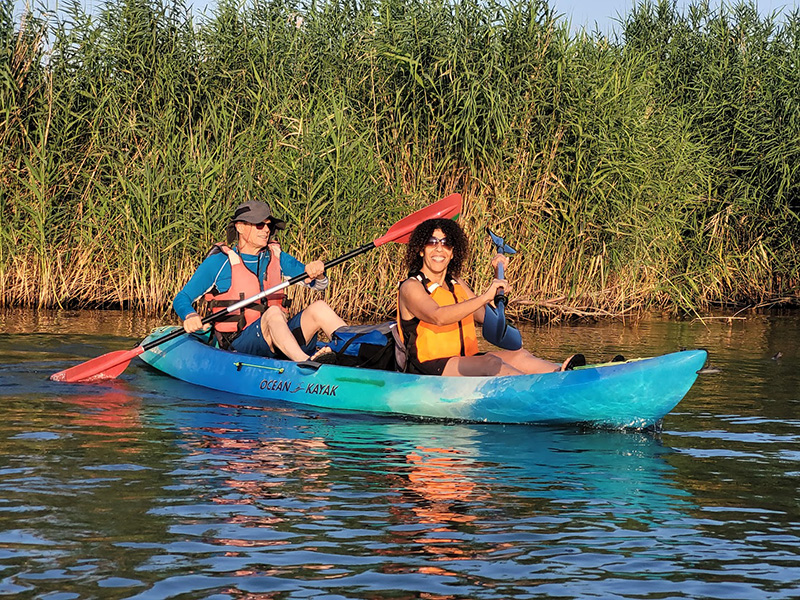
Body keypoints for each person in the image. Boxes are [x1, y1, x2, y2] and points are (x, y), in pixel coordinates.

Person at [397, 218, 583, 376]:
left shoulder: (455, 283)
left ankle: (563, 375)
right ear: (421, 250)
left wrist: (497, 276)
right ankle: (540, 393)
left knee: (519, 355)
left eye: (445, 244)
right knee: (491, 363)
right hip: (427, 367)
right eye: (432, 242)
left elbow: (484, 317)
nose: (439, 249)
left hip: (464, 360)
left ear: (453, 253)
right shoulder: (411, 286)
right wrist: (486, 296)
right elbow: (438, 316)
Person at [173, 200, 345, 362]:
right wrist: (190, 315)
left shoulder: (277, 257)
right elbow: (182, 298)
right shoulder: (218, 263)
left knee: (319, 308)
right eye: (259, 225)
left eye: (268, 225)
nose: (266, 230)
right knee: (273, 312)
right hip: (239, 343)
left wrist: (319, 274)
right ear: (240, 227)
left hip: (277, 339)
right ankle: (305, 364)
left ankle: (353, 353)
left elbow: (320, 285)